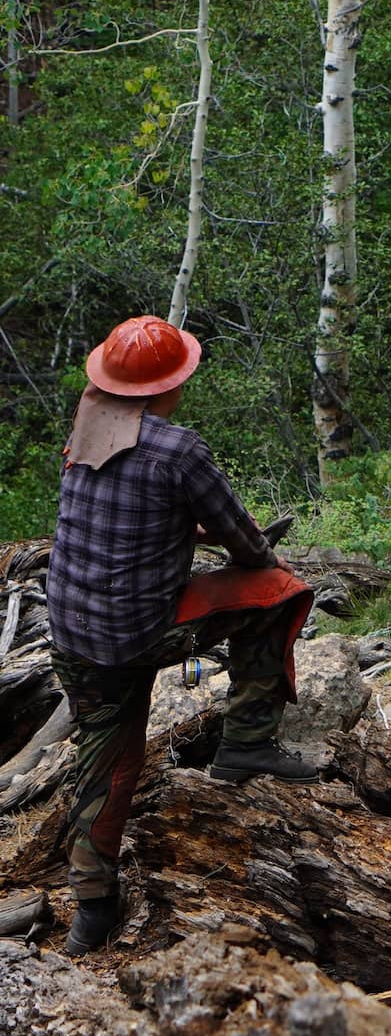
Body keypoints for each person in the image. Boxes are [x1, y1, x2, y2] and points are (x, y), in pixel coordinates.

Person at [44, 316, 320, 956]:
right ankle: (247, 741)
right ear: (173, 383)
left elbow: (120, 510)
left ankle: (91, 909)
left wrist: (177, 530)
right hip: (135, 631)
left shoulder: (88, 424)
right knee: (281, 592)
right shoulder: (180, 448)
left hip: (71, 629)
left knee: (106, 759)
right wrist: (254, 555)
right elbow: (242, 540)